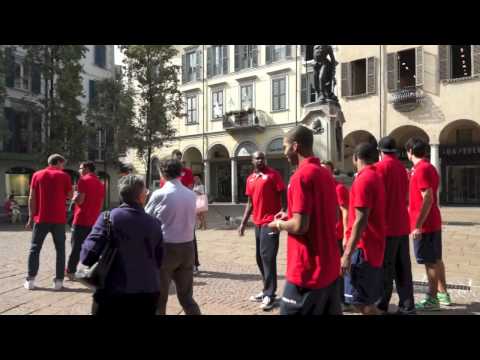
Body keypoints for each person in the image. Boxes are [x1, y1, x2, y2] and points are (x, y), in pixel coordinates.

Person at [267, 125, 341, 315]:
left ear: (295, 146)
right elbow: (332, 214)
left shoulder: (301, 176)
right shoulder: (325, 173)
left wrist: (279, 224)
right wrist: (290, 214)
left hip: (307, 270)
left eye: (284, 147)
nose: (284, 153)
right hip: (329, 266)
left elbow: (300, 226)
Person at [80, 175, 163, 315]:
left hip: (113, 292)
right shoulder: (155, 223)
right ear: (141, 196)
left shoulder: (107, 218)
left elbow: (87, 256)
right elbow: (159, 260)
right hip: (147, 292)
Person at [145, 159, 201, 315]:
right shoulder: (191, 195)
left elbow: (146, 219)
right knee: (187, 297)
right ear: (181, 173)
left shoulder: (159, 194)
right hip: (188, 247)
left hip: (166, 247)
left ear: (162, 173)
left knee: (160, 298)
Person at [406, 137, 451, 310]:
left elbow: (428, 196)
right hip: (432, 221)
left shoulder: (422, 169)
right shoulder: (428, 167)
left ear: (410, 151)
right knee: (436, 259)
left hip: (425, 224)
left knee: (429, 262)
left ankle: (432, 298)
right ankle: (442, 293)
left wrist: (417, 224)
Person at [341, 143, 386, 315]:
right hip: (372, 246)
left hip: (363, 249)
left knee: (361, 303)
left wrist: (346, 254)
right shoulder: (376, 177)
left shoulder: (363, 180)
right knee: (365, 301)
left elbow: (361, 220)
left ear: (356, 158)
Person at [238, 151, 286, 311]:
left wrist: (284, 211)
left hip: (270, 222)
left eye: (262, 157)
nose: (260, 160)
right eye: (257, 157)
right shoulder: (250, 179)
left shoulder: (273, 175)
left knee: (268, 257)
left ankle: (270, 295)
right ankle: (266, 289)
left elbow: (283, 193)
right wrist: (243, 223)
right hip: (257, 223)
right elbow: (250, 202)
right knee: (259, 258)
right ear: (252, 160)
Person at [375, 137, 415, 315]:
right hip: (402, 224)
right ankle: (407, 305)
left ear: (380, 151)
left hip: (386, 227)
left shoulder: (379, 168)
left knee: (385, 269)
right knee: (403, 268)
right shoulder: (403, 168)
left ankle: (381, 305)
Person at [24, 154, 73, 291]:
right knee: (60, 250)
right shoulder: (64, 176)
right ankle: (58, 282)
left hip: (41, 218)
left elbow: (31, 198)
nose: (63, 167)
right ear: (58, 162)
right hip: (59, 219)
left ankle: (31, 280)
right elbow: (70, 196)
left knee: (35, 248)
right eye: (63, 164)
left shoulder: (37, 175)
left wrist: (30, 218)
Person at [65, 161, 105, 280]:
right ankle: (94, 270)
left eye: (80, 168)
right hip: (94, 220)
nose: (79, 170)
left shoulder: (83, 180)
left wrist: (74, 196)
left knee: (76, 246)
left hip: (81, 219)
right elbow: (101, 204)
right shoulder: (100, 183)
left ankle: (71, 271)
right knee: (92, 246)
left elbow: (80, 200)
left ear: (87, 168)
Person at [321, 160, 350, 309]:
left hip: (337, 234)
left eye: (326, 170)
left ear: (332, 172)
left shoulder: (338, 188)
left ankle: (342, 300)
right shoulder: (320, 188)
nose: (324, 173)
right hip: (323, 234)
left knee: (338, 268)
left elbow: (345, 212)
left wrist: (345, 234)